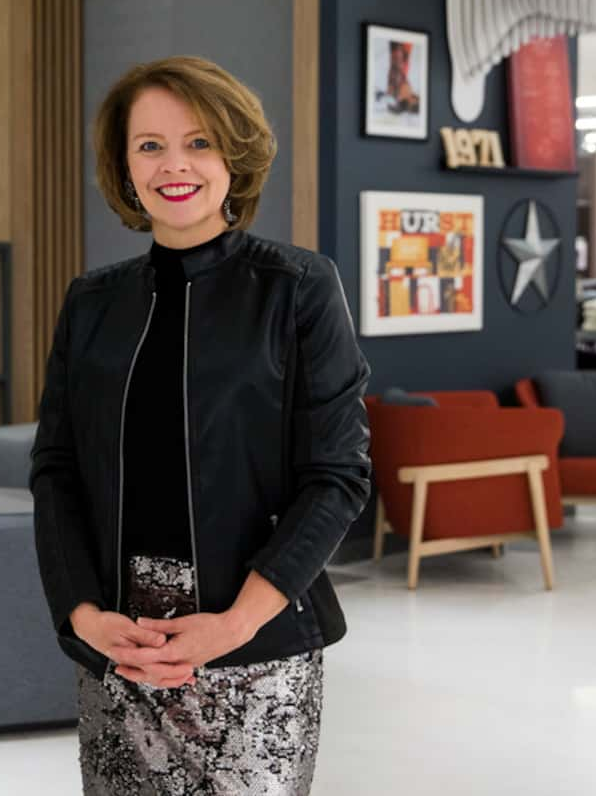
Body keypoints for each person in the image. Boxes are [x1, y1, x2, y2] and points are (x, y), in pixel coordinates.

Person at [29, 55, 372, 795]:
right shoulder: (92, 302)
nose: (173, 165)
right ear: (123, 167)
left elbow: (337, 477)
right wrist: (83, 614)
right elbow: (55, 471)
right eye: (149, 145)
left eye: (199, 142)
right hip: (122, 646)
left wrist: (234, 624)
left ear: (234, 156)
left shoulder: (299, 288)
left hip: (255, 642)